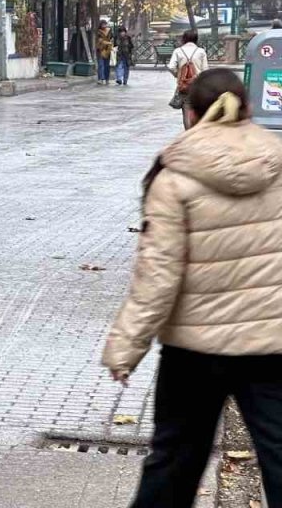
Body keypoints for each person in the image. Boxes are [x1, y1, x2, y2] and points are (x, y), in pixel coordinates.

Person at [103, 69, 282, 508]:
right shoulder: (277, 162)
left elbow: (158, 278)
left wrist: (126, 348)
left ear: (192, 113)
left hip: (193, 350)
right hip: (271, 344)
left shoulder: (173, 177)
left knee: (174, 463)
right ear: (248, 108)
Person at [167, 29, 210, 130]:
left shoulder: (178, 51)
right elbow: (205, 70)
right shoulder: (201, 51)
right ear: (196, 39)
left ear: (184, 39)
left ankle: (188, 133)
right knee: (198, 110)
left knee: (186, 111)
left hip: (184, 86)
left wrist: (178, 75)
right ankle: (197, 130)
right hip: (198, 86)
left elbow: (171, 67)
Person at [96, 21, 114, 85]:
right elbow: (99, 41)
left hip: (108, 50)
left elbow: (112, 39)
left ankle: (107, 79)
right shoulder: (98, 32)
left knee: (107, 66)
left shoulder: (109, 31)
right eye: (102, 24)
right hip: (100, 50)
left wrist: (111, 45)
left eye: (105, 24)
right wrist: (108, 43)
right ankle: (100, 79)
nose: (104, 26)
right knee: (101, 65)